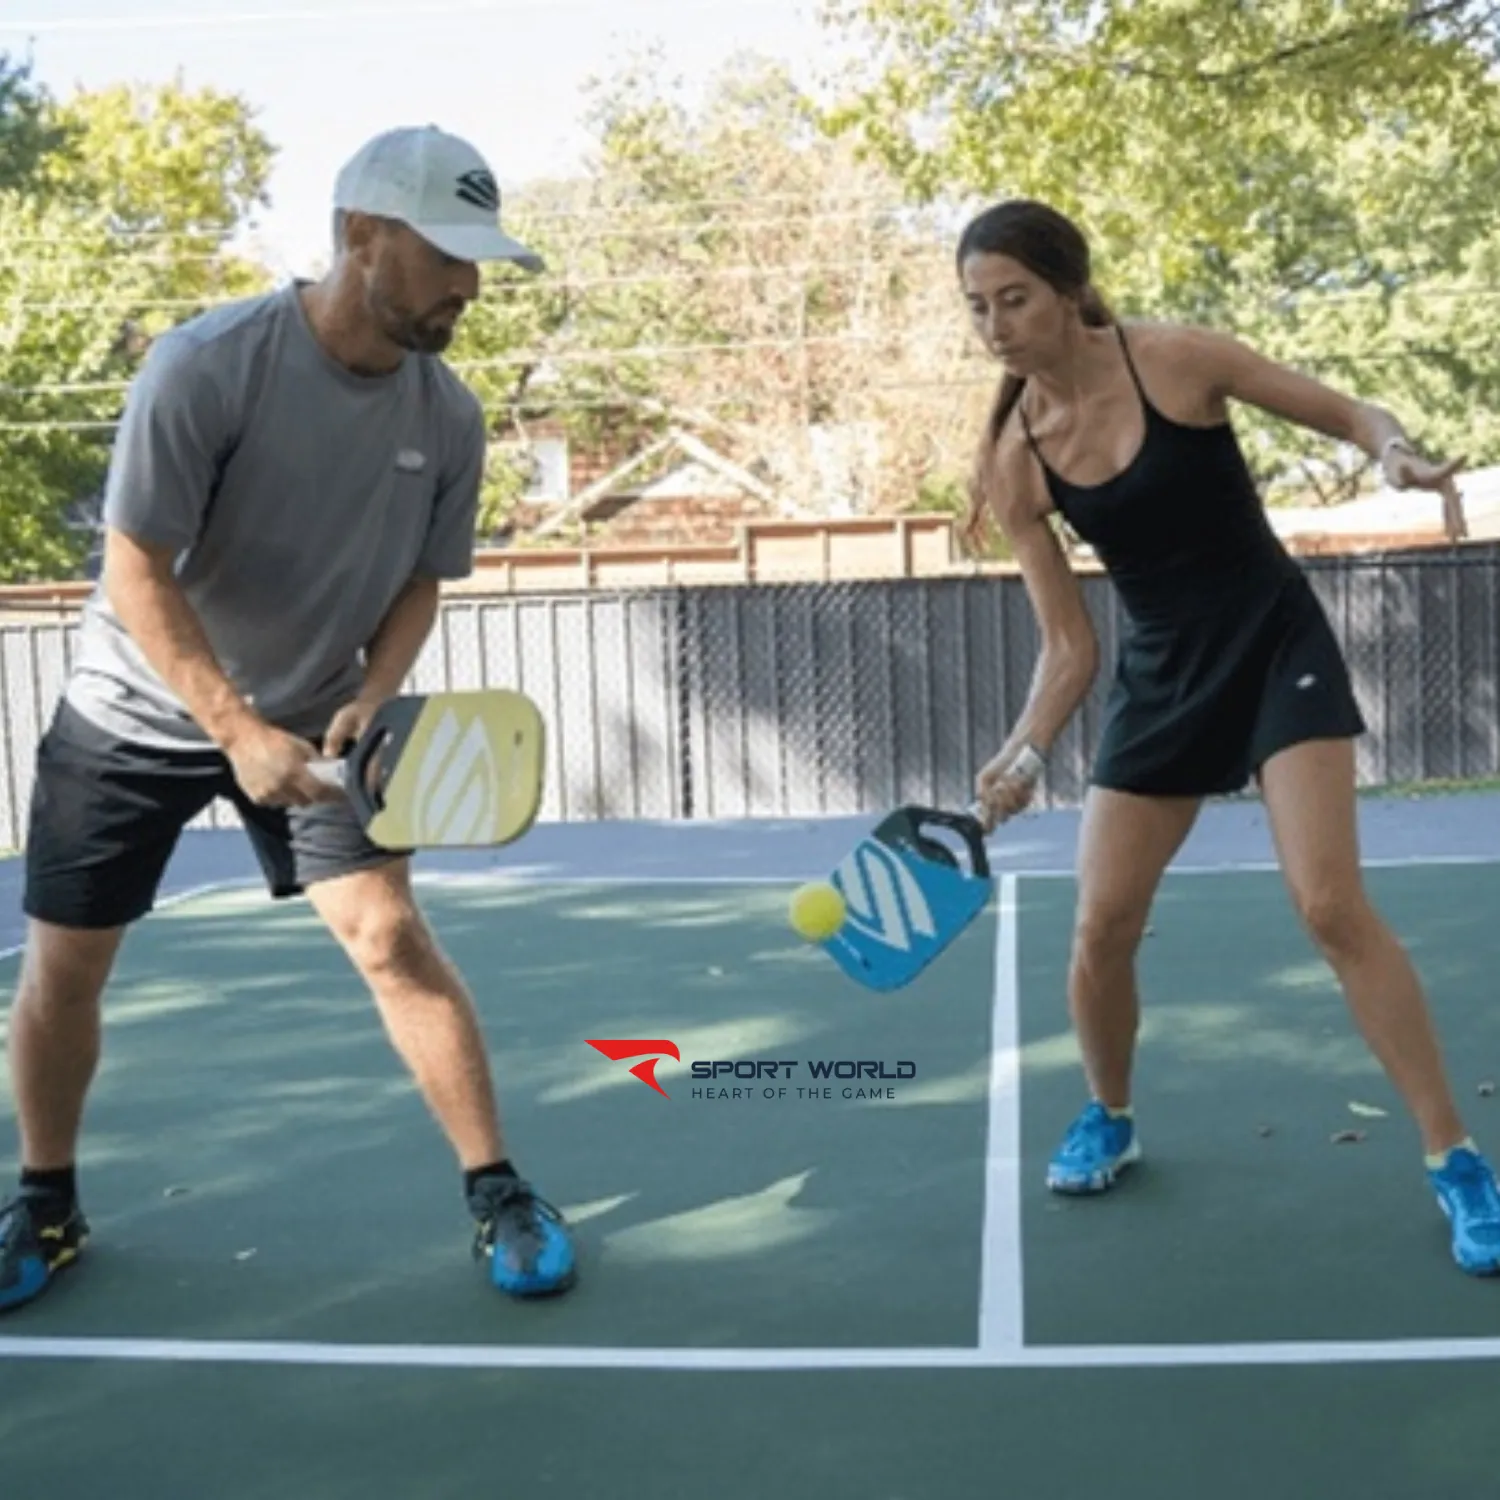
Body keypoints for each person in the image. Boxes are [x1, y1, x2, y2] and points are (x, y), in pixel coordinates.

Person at [0, 125, 577, 1314]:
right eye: (446, 255)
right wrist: (233, 729)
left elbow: (420, 580)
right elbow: (135, 570)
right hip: (135, 709)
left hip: (320, 715)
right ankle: (46, 1202)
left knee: (391, 939)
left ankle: (499, 1189)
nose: (469, 286)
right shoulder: (206, 368)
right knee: (67, 965)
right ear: (361, 236)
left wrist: (371, 691)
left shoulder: (450, 418)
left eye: (478, 260)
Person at [959, 198, 1500, 1277]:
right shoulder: (1019, 460)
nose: (994, 326)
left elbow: (1351, 411)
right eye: (977, 307)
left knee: (1329, 905)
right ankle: (1110, 1114)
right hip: (1162, 679)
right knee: (1101, 925)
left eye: (1013, 299)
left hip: (1272, 644)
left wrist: (1392, 450)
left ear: (1068, 291)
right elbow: (1069, 646)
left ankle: (1457, 1159)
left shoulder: (1176, 361)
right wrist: (1025, 750)